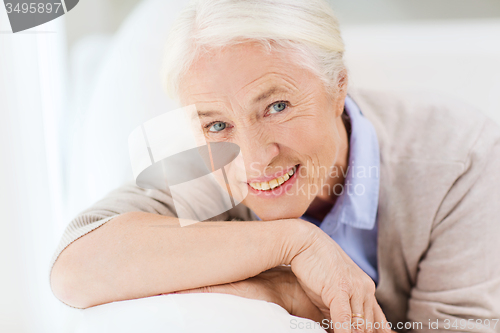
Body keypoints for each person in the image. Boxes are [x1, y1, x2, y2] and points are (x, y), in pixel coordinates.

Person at [50, 0, 500, 332]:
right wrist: (291, 251)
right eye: (218, 123)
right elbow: (75, 268)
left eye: (277, 106)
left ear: (337, 86)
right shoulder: (214, 172)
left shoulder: (458, 159)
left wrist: (302, 303)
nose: (255, 158)